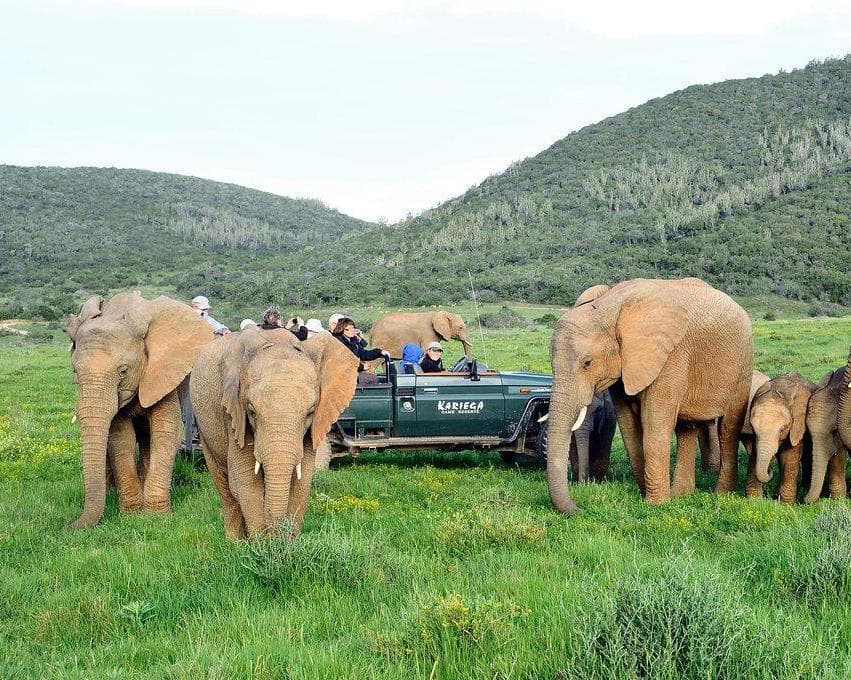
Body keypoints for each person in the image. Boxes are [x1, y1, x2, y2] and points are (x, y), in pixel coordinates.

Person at [333, 317, 389, 384]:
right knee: (372, 378)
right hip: (342, 374)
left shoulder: (353, 340)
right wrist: (362, 367)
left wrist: (379, 352)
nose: (352, 330)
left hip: (352, 372)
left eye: (353, 328)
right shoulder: (338, 343)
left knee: (372, 376)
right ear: (341, 330)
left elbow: (364, 354)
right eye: (348, 329)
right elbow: (345, 362)